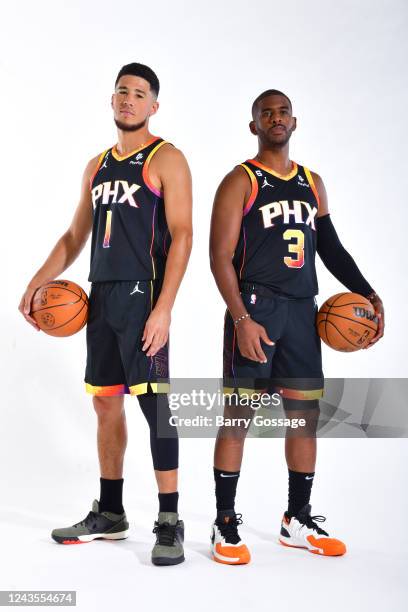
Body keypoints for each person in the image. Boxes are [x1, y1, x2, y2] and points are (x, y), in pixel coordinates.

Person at [18, 62, 192, 566]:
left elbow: (183, 235)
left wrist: (164, 309)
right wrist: (37, 282)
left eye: (139, 94)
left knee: (156, 406)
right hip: (101, 299)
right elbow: (76, 236)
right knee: (105, 405)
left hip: (145, 297)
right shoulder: (97, 166)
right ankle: (111, 514)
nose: (128, 100)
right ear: (111, 100)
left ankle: (168, 519)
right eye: (122, 91)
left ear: (153, 105)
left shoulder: (168, 159)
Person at [209, 89, 384, 564]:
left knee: (304, 417)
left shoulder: (312, 182)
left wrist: (367, 292)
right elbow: (218, 257)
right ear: (254, 126)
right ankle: (224, 523)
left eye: (283, 111)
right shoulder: (239, 181)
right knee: (239, 418)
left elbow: (331, 248)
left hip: (304, 312)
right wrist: (241, 319)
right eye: (266, 113)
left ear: (294, 121)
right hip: (256, 308)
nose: (275, 118)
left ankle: (296, 518)